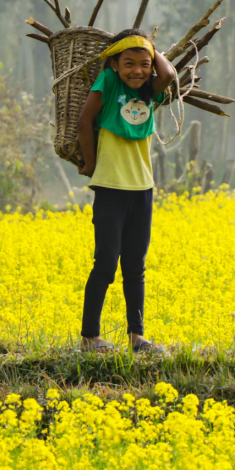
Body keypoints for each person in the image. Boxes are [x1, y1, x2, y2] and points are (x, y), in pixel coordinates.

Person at [76, 29, 176, 352]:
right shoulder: (107, 82)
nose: (137, 70)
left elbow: (169, 74)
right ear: (115, 65)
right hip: (110, 186)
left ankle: (137, 336)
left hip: (142, 188)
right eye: (128, 63)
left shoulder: (151, 91)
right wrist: (90, 165)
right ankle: (90, 337)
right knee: (105, 263)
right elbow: (84, 122)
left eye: (144, 64)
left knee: (135, 265)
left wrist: (150, 47)